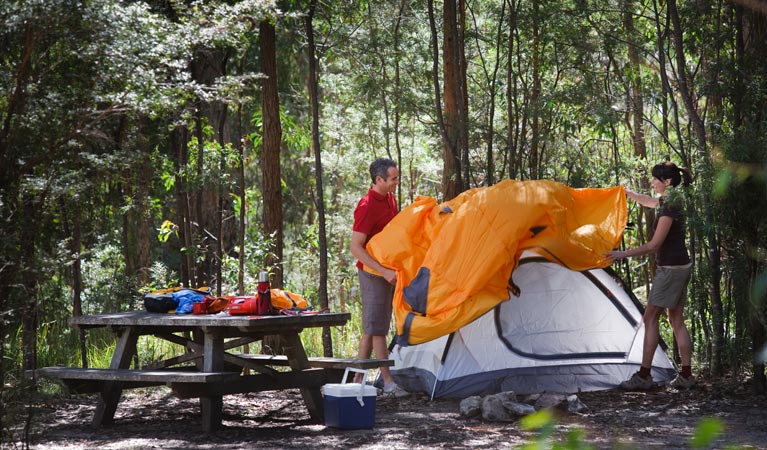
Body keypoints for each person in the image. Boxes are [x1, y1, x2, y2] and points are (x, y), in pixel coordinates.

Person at [607, 161, 696, 390]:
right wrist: (628, 193)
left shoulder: (670, 208)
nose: (652, 182)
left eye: (656, 179)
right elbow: (649, 201)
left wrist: (621, 254)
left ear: (667, 182)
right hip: (680, 266)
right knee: (675, 320)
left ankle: (644, 376)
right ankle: (686, 375)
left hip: (670, 270)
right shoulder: (671, 200)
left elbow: (654, 245)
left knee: (650, 318)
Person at [350, 157, 409, 398]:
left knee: (371, 326)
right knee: (378, 329)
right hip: (374, 273)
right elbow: (356, 247)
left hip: (387, 272)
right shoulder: (366, 206)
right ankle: (387, 381)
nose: (397, 182)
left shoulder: (389, 198)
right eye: (393, 178)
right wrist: (382, 271)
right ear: (379, 180)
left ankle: (357, 378)